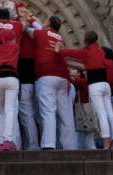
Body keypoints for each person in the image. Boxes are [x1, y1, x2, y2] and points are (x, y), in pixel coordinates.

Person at [62, 31, 113, 149]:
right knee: (110, 114)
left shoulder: (86, 51)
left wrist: (59, 50)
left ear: (86, 40)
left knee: (101, 113)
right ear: (96, 40)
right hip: (105, 85)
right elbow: (90, 65)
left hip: (95, 85)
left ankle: (106, 141)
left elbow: (72, 52)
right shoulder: (100, 52)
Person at [33, 15, 75, 150]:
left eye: (45, 20)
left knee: (48, 112)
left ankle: (49, 144)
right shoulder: (59, 37)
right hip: (62, 78)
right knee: (65, 114)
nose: (43, 22)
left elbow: (29, 29)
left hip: (47, 76)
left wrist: (28, 17)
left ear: (49, 23)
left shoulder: (41, 33)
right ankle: (69, 145)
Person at [0, 7, 24, 151]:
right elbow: (21, 27)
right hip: (12, 78)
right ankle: (8, 140)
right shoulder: (15, 47)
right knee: (10, 110)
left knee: (1, 111)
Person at [15, 4, 41, 150]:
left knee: (26, 110)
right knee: (27, 110)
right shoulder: (23, 27)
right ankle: (29, 143)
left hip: (26, 69)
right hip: (25, 68)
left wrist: (29, 19)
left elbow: (41, 31)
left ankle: (32, 144)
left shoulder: (28, 28)